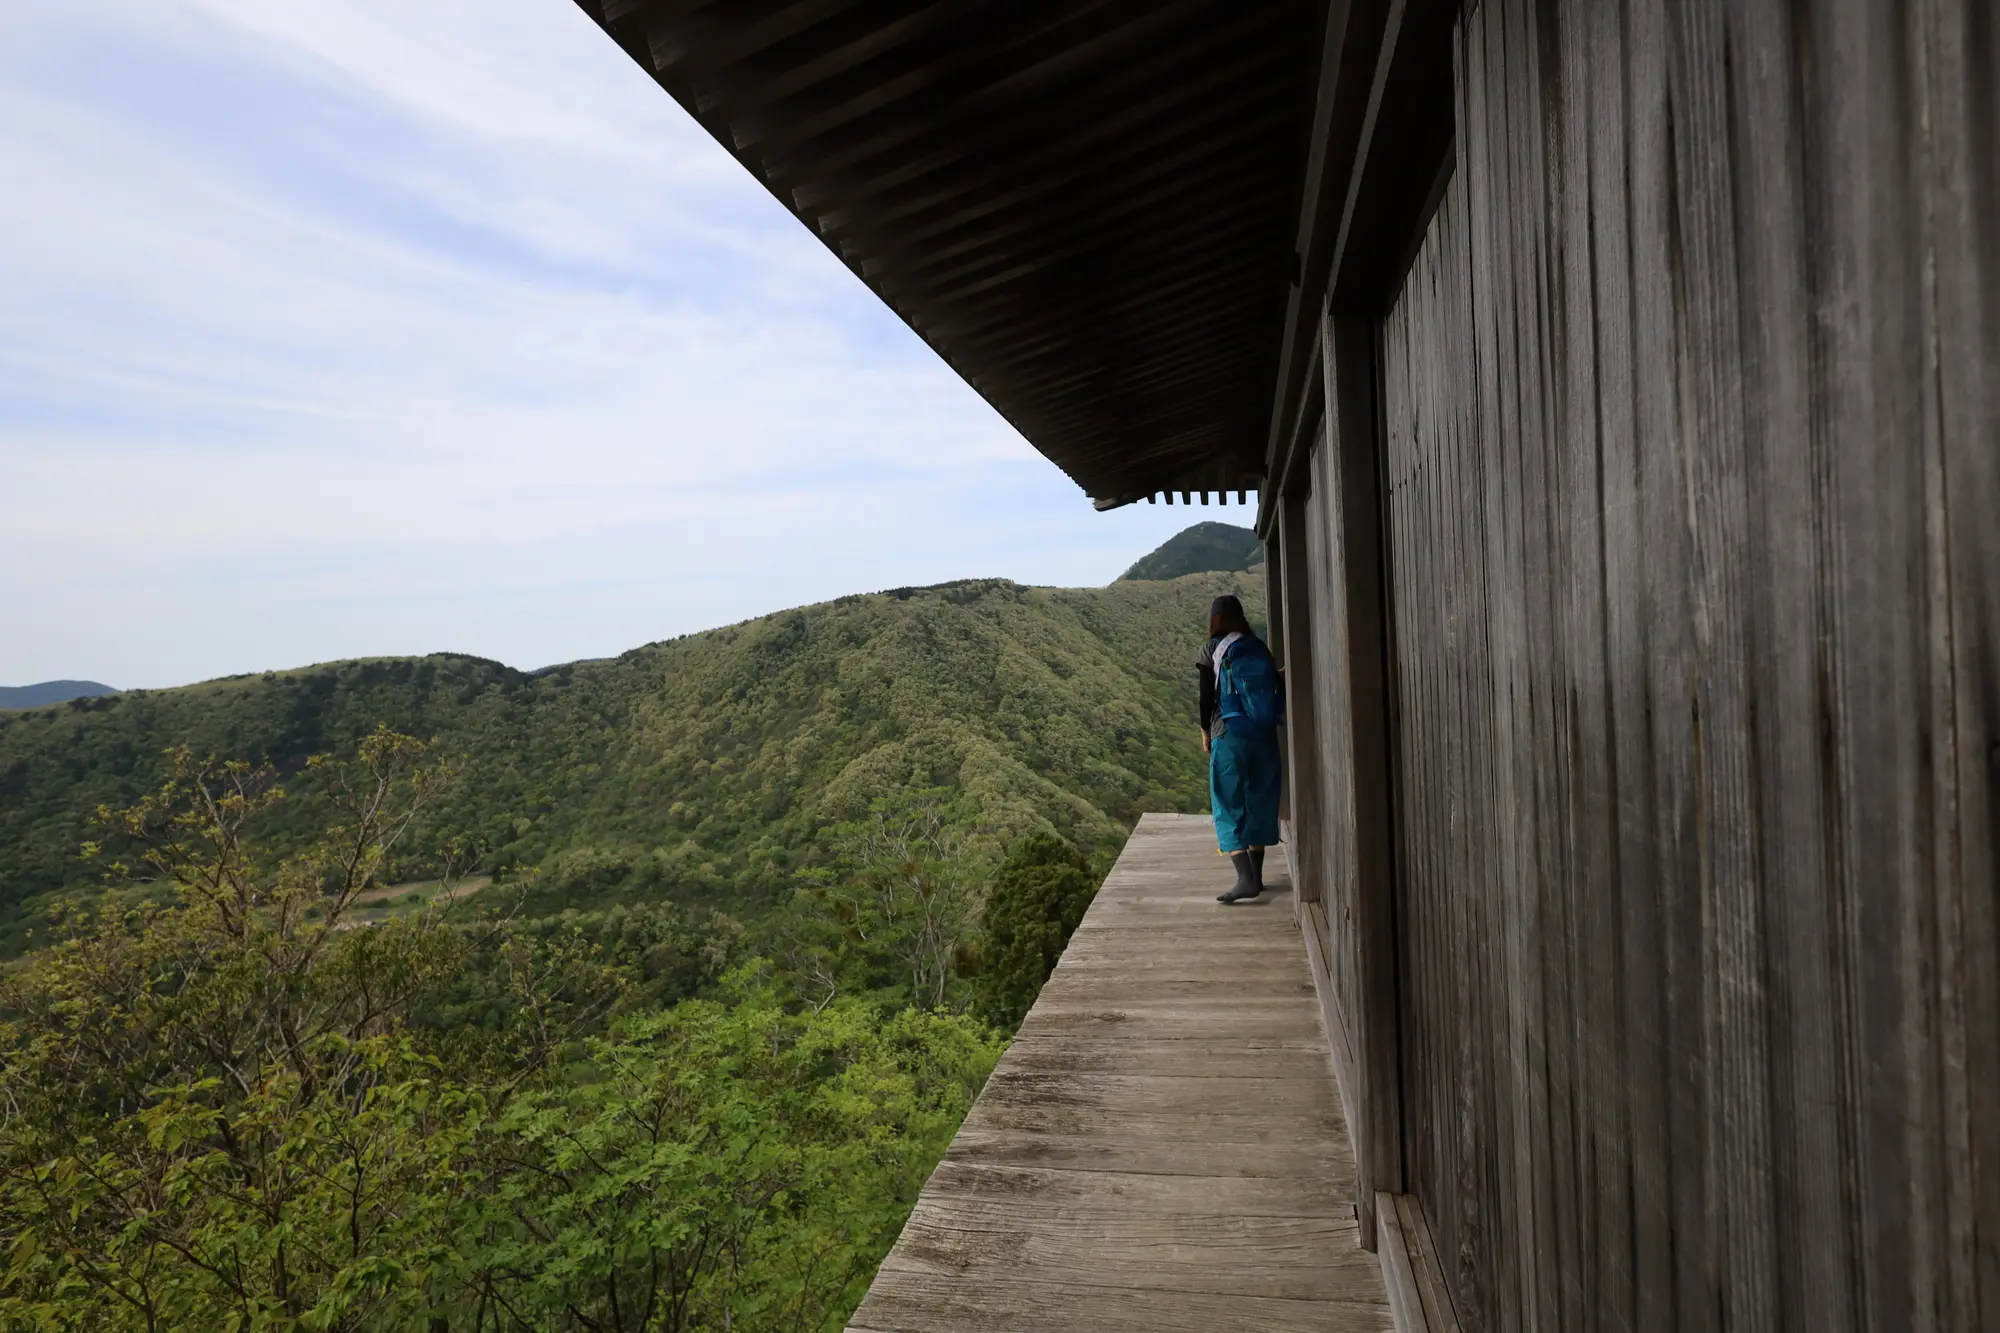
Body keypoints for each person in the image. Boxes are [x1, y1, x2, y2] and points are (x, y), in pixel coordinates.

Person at [1198, 594, 1284, 903]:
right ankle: (1257, 878)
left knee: (1227, 800)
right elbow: (1276, 688)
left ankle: (1244, 878)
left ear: (1215, 620)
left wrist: (1206, 731)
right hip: (1263, 733)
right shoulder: (1258, 647)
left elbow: (1206, 697)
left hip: (1229, 733)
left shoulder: (1212, 649)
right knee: (1258, 797)